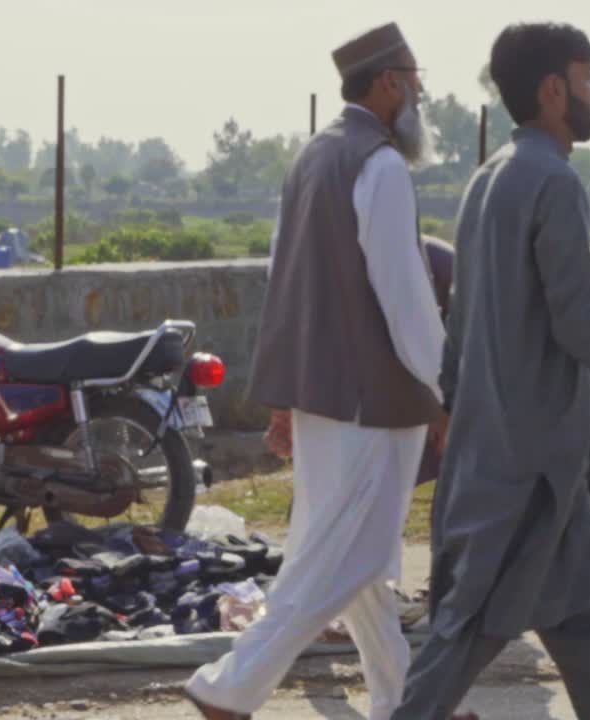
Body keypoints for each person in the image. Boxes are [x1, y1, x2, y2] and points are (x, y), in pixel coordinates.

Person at [390, 23, 590, 720]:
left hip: (521, 457)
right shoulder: (553, 181)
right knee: (471, 627)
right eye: (589, 79)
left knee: (588, 611)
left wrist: (452, 408)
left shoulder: (489, 177)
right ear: (555, 89)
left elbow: (460, 318)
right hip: (527, 469)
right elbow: (579, 324)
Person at [185, 22, 448, 720]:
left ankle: (403, 701)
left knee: (358, 558)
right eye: (414, 79)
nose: (421, 93)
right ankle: (229, 685)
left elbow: (286, 281)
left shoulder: (315, 154)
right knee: (350, 558)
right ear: (388, 83)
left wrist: (286, 394)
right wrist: (445, 388)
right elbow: (406, 296)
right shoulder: (379, 164)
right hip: (374, 401)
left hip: (323, 397)